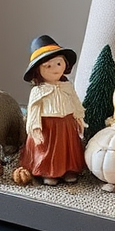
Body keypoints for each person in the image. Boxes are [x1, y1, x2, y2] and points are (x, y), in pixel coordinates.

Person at [20, 35, 86, 185]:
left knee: (68, 150)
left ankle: (69, 170)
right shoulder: (38, 91)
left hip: (67, 124)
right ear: (38, 71)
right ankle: (48, 172)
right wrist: (35, 127)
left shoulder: (67, 86)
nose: (55, 69)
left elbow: (75, 101)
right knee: (47, 151)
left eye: (58, 63)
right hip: (47, 126)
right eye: (48, 66)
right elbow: (34, 110)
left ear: (65, 64)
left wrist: (79, 117)